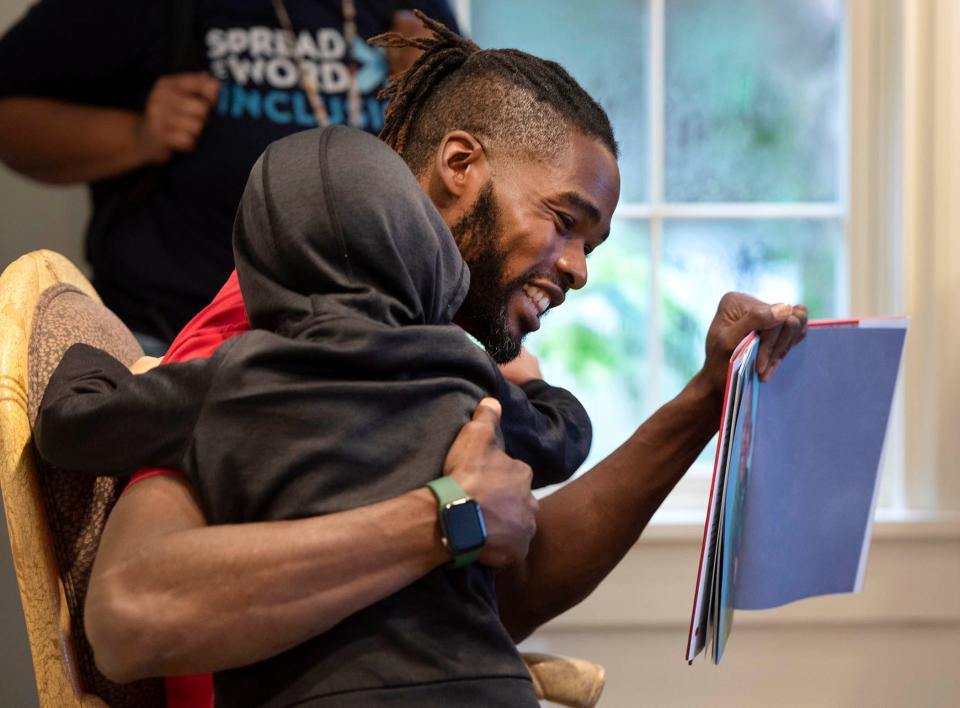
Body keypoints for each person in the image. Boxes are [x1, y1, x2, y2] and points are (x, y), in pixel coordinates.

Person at [74, 13, 809, 708]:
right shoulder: (268, 333)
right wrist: (447, 515)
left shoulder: (424, 357)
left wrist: (708, 400)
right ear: (460, 164)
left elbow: (498, 593)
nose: (580, 269)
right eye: (564, 222)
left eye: (592, 245)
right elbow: (131, 613)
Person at [35, 125, 597, 706]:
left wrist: (107, 367)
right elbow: (563, 439)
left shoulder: (229, 380)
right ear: (428, 248)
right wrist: (536, 386)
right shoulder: (464, 372)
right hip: (487, 690)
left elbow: (70, 425)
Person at [0, 0, 459, 353]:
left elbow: (469, 172)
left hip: (370, 347)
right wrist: (138, 136)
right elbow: (10, 113)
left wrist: (432, 100)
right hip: (175, 344)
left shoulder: (411, 10)